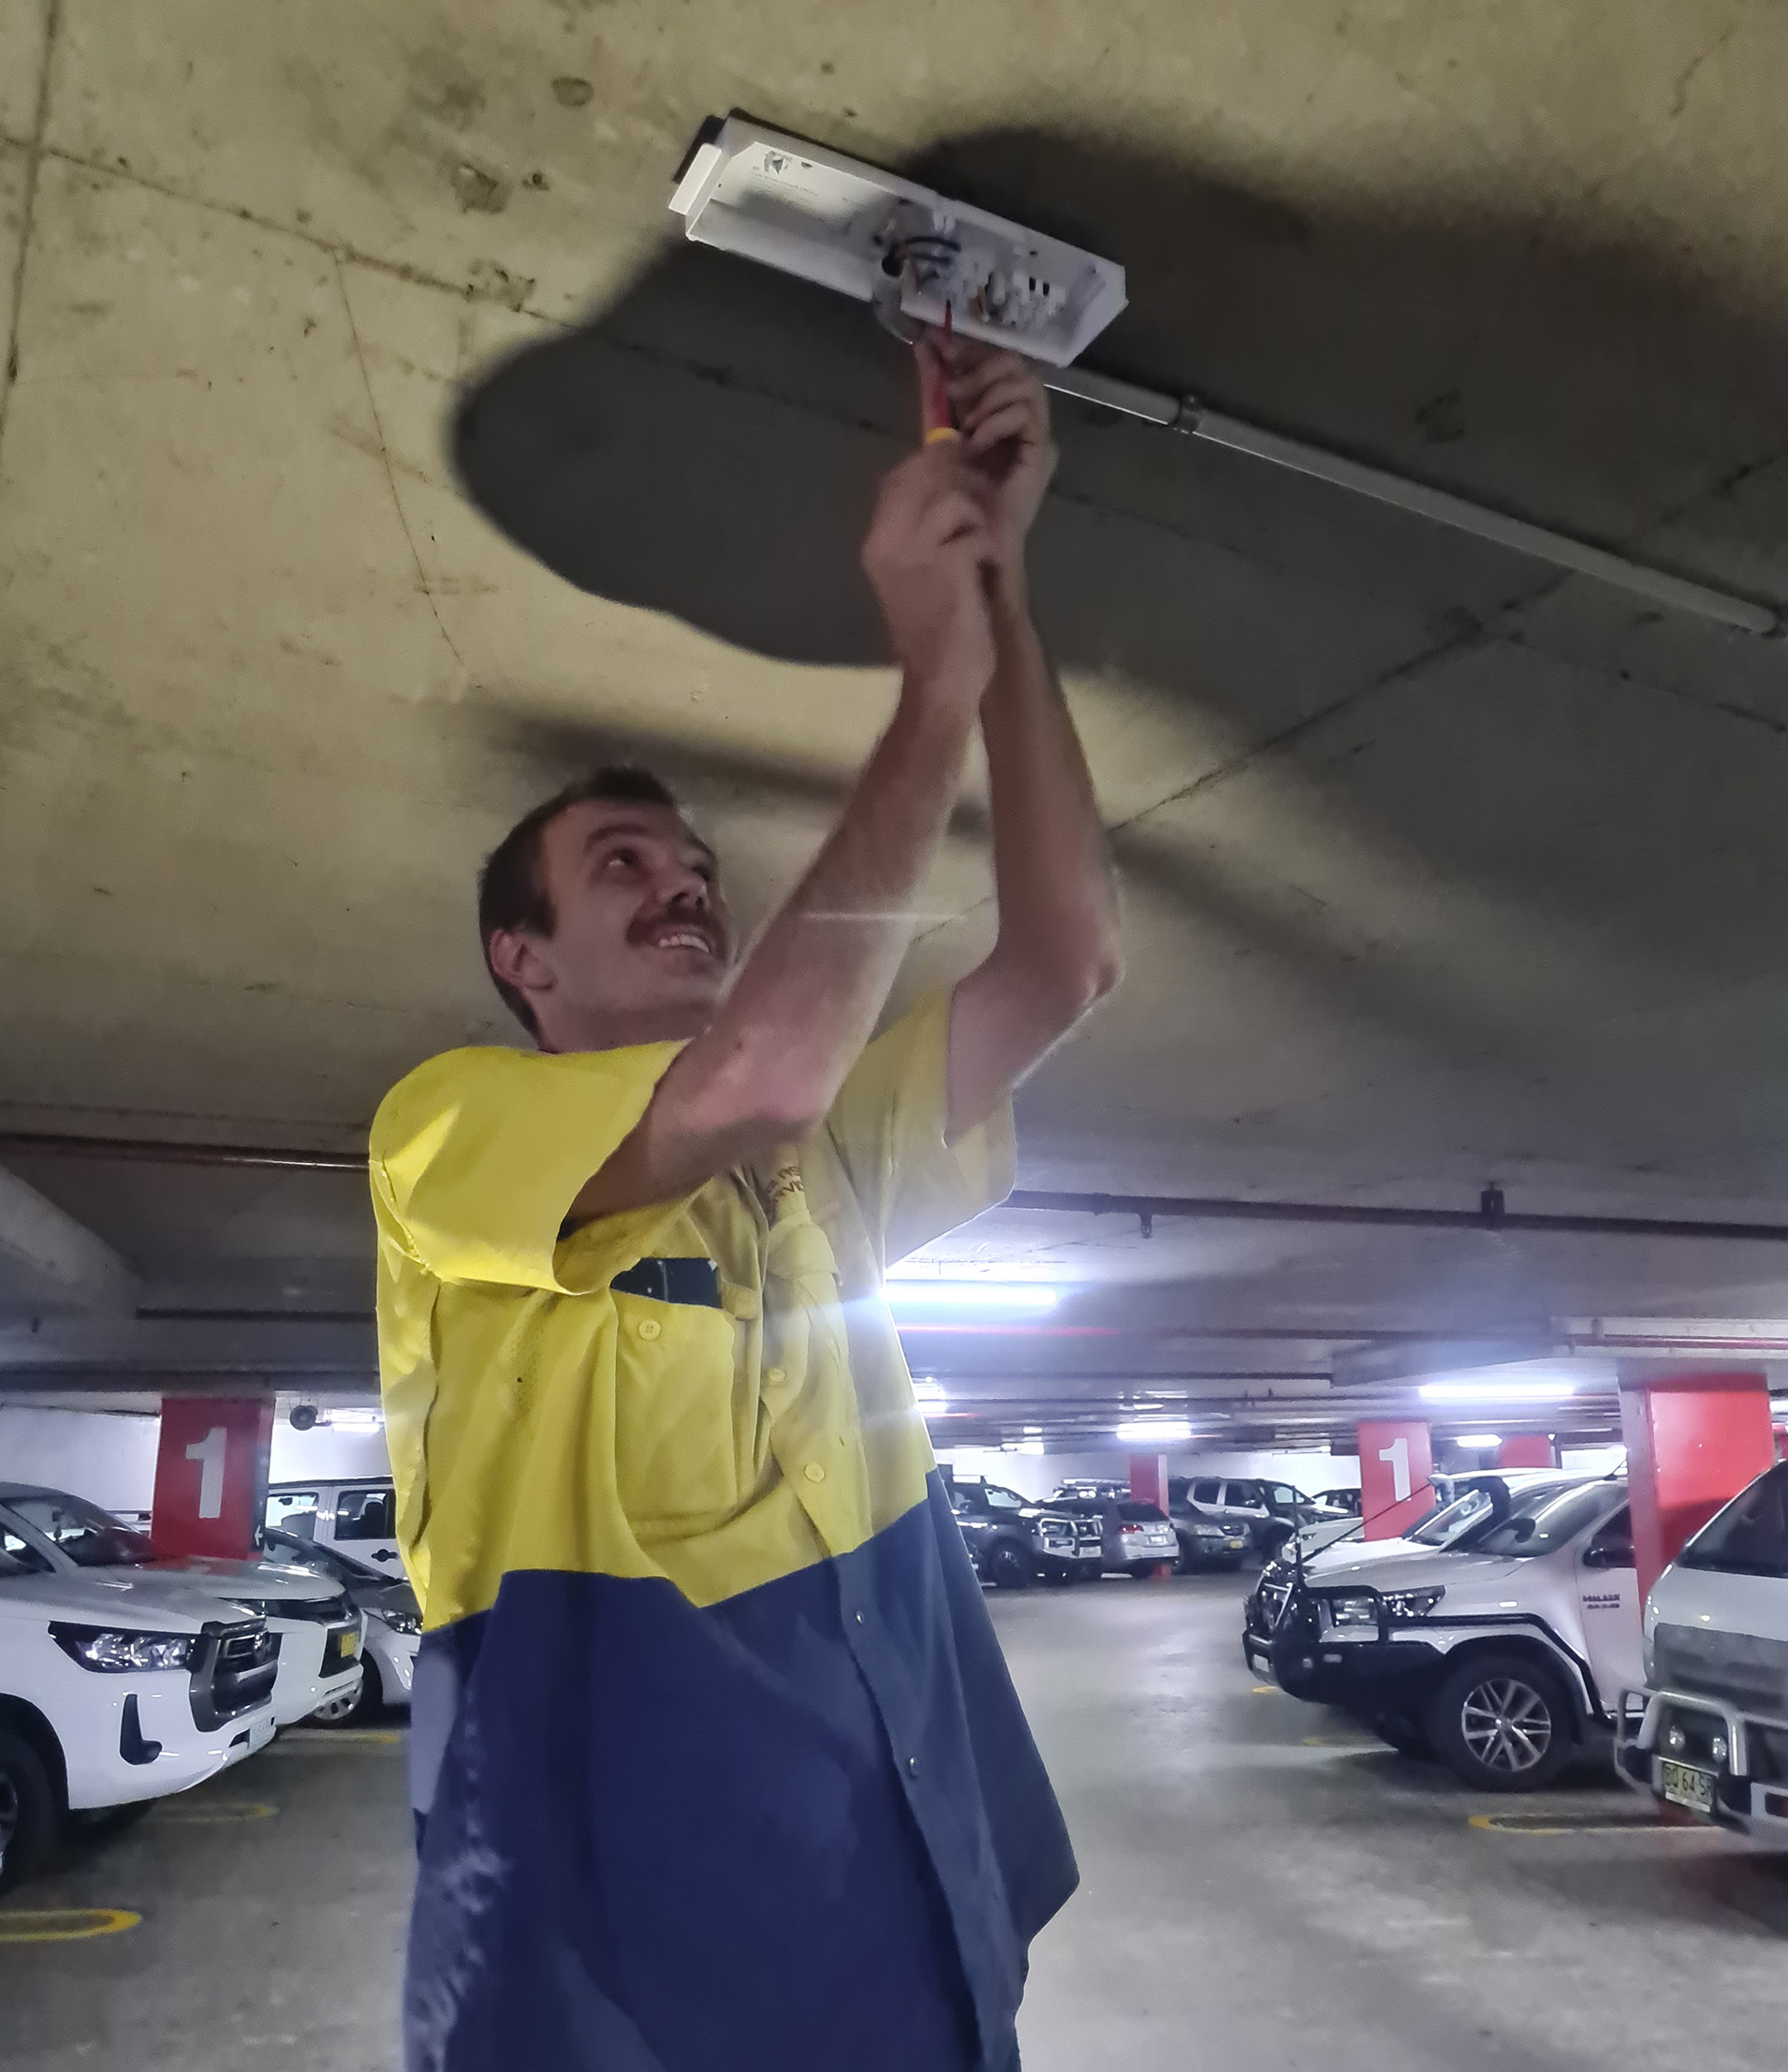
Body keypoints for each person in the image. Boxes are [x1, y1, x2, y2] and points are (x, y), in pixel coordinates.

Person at [370, 337, 1122, 2072]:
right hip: (634, 2004)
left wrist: (1000, 605)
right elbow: (757, 1075)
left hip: (913, 1948)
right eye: (620, 868)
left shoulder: (809, 1173)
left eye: (698, 869)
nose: (683, 886)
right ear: (520, 956)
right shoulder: (443, 1137)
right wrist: (922, 692)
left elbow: (1066, 960)